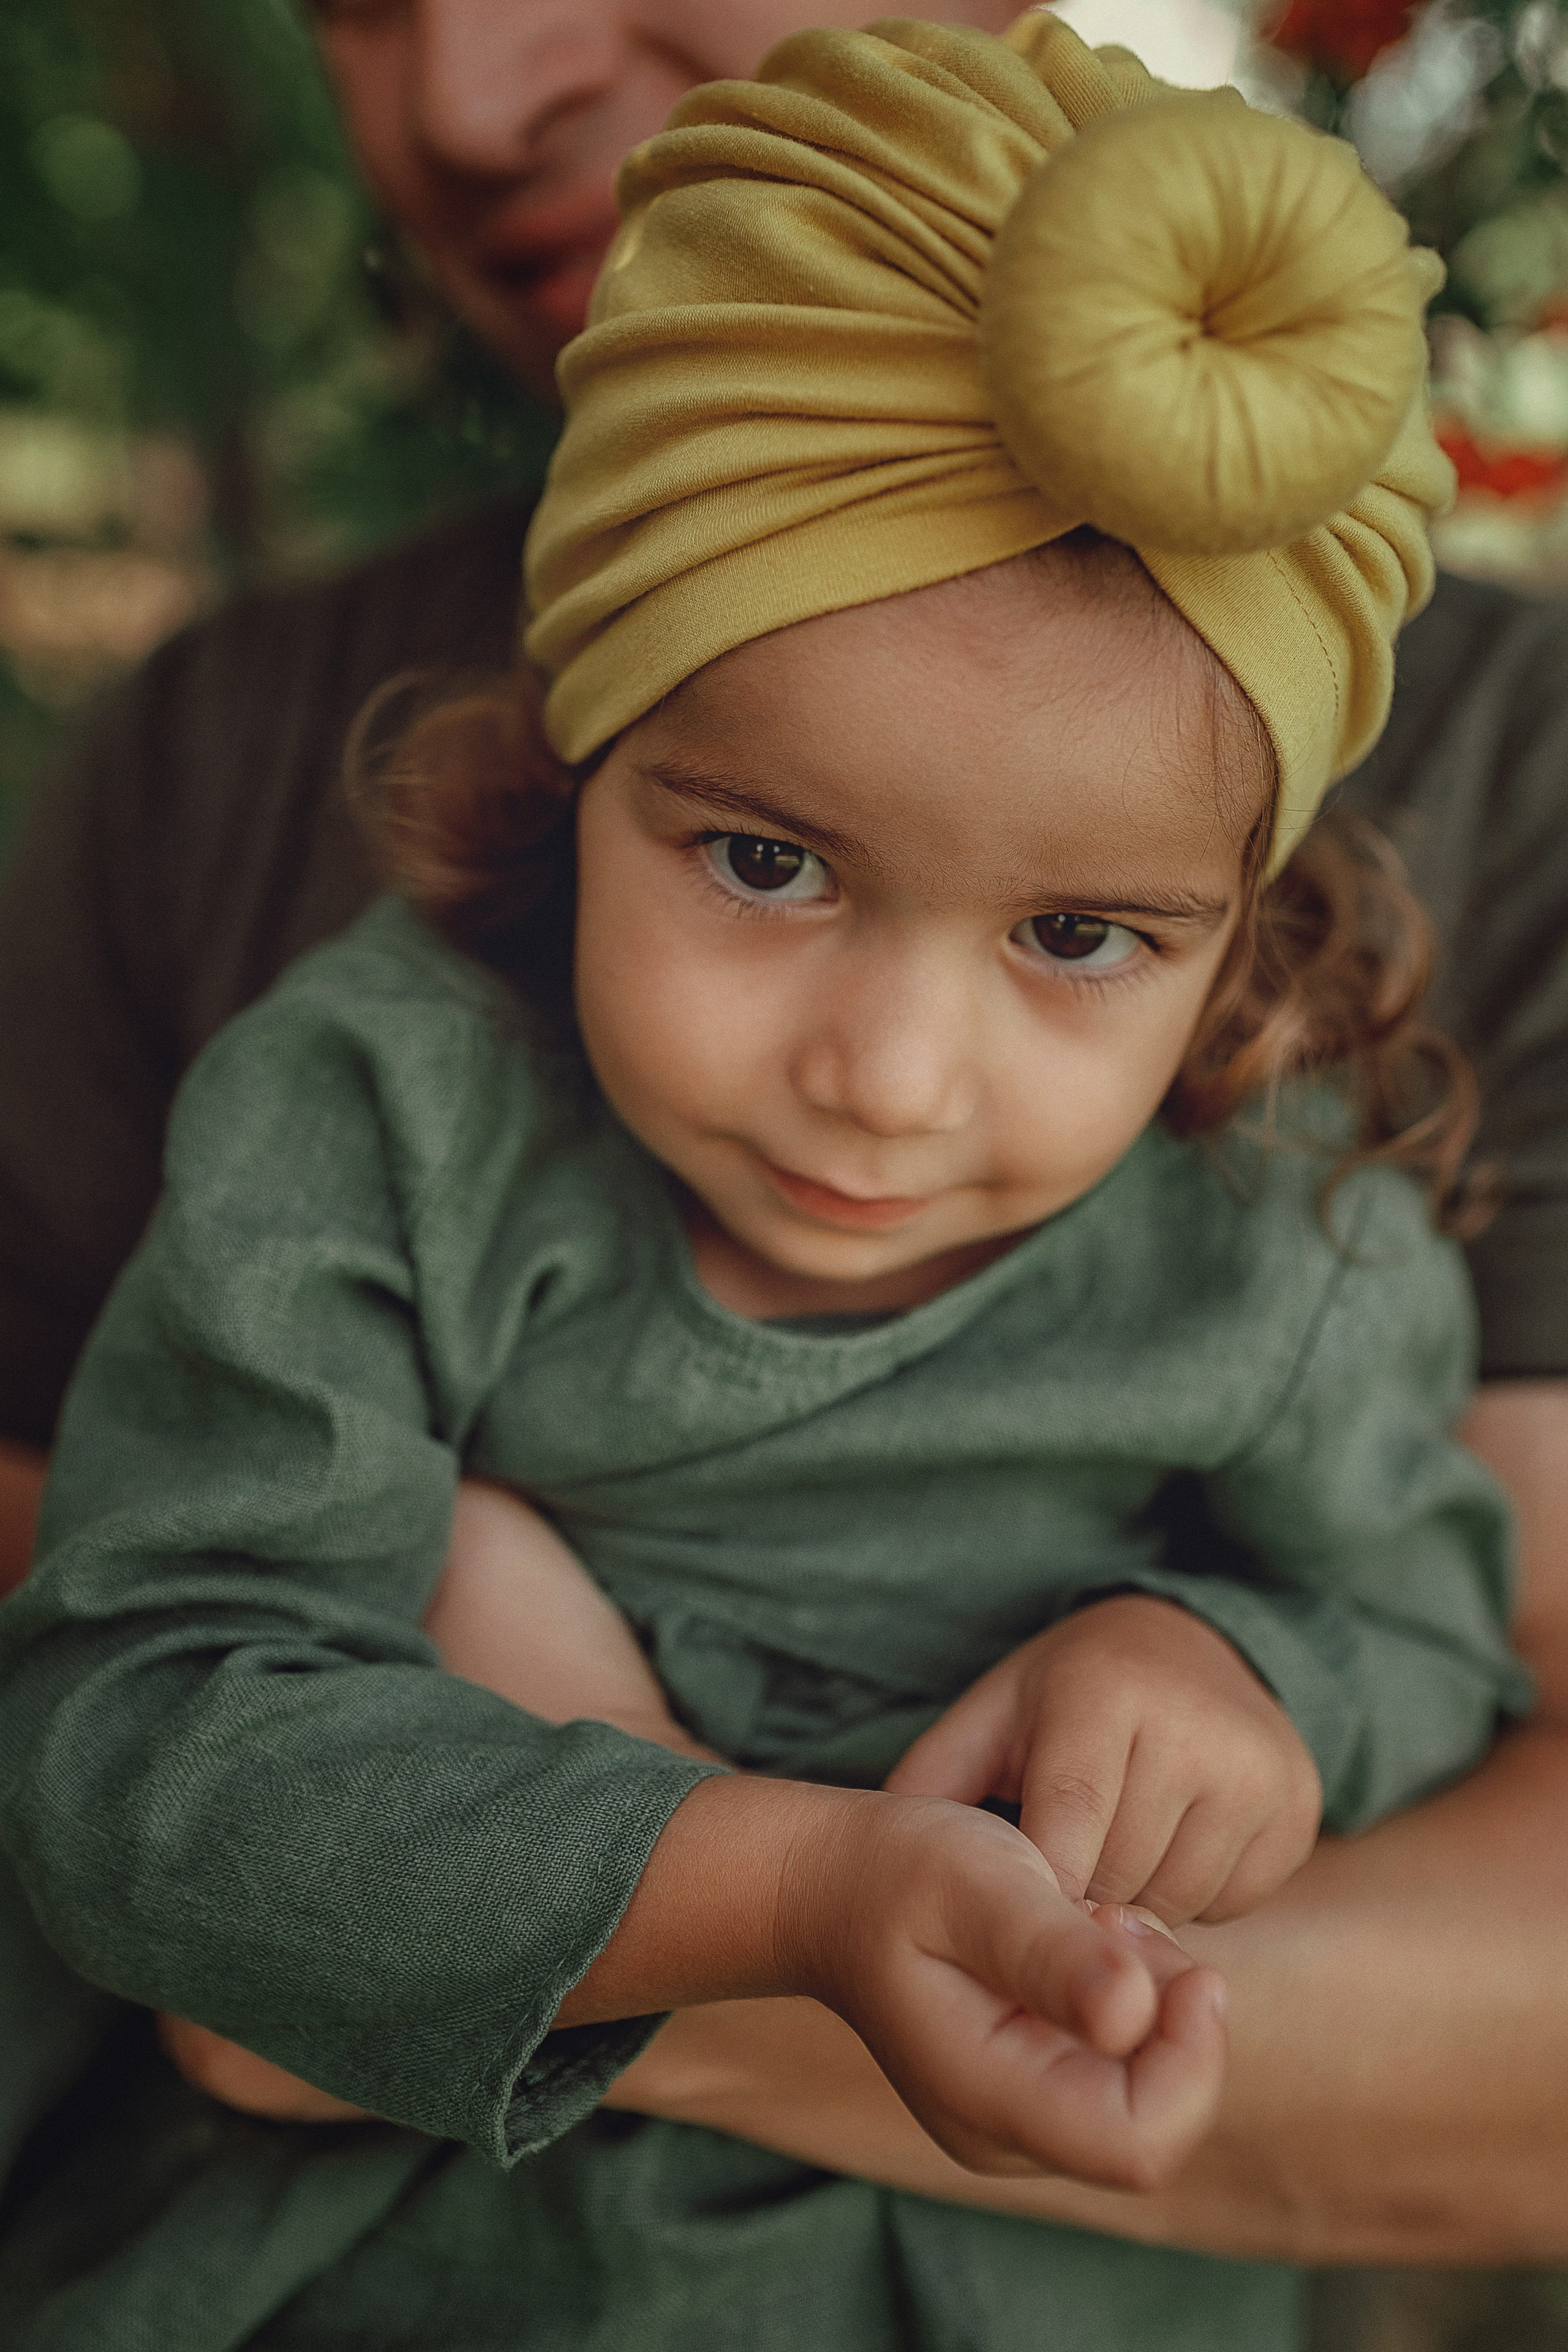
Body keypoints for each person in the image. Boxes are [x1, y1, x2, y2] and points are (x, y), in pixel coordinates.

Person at [2, 0, 1568, 2292]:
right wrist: (791, 1896)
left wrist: (1239, 1669)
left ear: (1247, 947)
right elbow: (134, 1740)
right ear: (574, 750)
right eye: (762, 864)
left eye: (1076, 934)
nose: (893, 1074)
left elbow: (1428, 1625)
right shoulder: (378, 1124)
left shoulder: (1278, 1250)